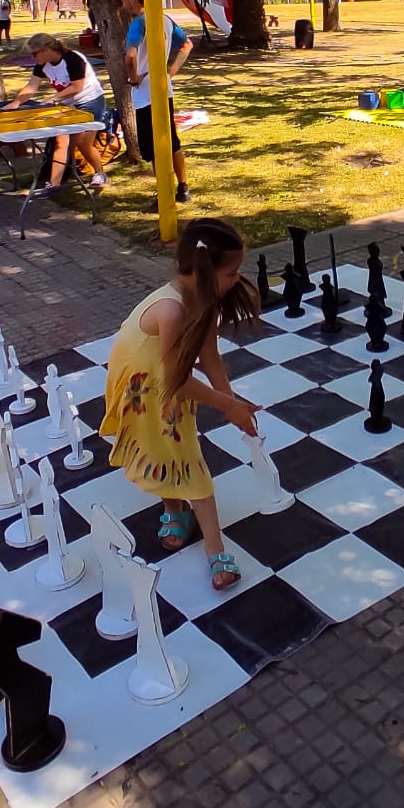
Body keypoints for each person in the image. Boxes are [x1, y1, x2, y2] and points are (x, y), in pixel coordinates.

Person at [100, 218, 262, 591]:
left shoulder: (204, 302)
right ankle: (176, 511)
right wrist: (227, 406)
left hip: (165, 391)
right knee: (160, 454)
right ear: (204, 272)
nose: (237, 279)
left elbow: (210, 358)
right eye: (231, 273)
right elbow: (178, 378)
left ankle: (212, 545)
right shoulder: (171, 310)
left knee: (187, 461)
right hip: (142, 393)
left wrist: (231, 402)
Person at [113, 0, 194, 203]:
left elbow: (130, 56)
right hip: (163, 89)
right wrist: (172, 70)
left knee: (153, 147)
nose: (122, 5)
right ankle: (183, 187)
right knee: (171, 140)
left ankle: (164, 194)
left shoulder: (139, 22)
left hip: (145, 94)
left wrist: (133, 78)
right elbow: (187, 44)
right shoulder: (164, 19)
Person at [13, 32, 110, 194]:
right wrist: (16, 102)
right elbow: (31, 86)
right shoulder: (42, 65)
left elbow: (77, 87)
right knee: (60, 142)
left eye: (34, 54)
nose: (32, 57)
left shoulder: (73, 59)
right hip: (67, 104)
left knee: (82, 142)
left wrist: (53, 98)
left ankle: (100, 173)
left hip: (90, 101)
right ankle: (54, 184)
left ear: (46, 50)